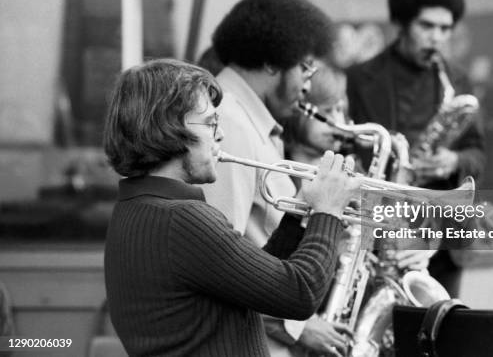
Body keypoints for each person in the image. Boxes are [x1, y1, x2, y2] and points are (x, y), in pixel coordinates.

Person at [103, 58, 360, 357]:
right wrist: (328, 212)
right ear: (169, 129)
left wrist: (299, 214)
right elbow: (300, 294)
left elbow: (256, 287)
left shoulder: (136, 208)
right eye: (211, 123)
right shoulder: (184, 219)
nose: (220, 135)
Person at [200, 0, 351, 356]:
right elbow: (220, 269)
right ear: (271, 63)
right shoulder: (230, 124)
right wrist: (296, 327)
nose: (307, 85)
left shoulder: (249, 120)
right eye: (305, 67)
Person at [346, 0, 485, 297]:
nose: (437, 38)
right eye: (427, 26)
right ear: (402, 24)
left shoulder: (457, 80)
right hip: (383, 230)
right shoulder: (359, 78)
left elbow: (477, 152)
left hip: (444, 235)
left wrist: (453, 160)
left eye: (445, 29)